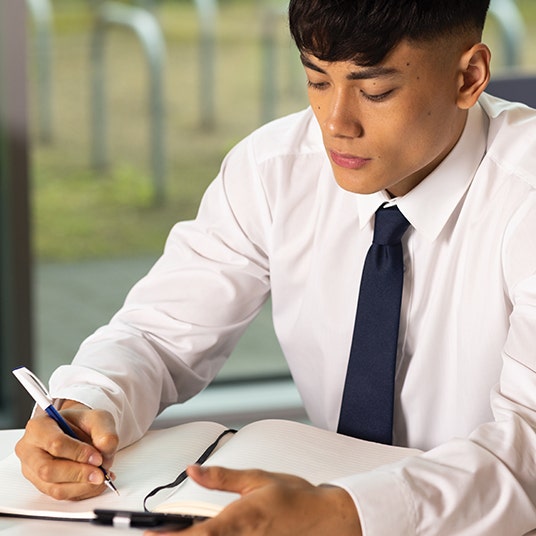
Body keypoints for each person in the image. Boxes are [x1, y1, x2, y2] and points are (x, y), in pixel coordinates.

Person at [14, 0, 536, 534]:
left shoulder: (527, 197)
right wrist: (89, 401)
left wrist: (346, 514)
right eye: (317, 81)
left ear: (469, 76)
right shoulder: (273, 171)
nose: (336, 123)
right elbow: (157, 336)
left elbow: (531, 446)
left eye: (375, 92)